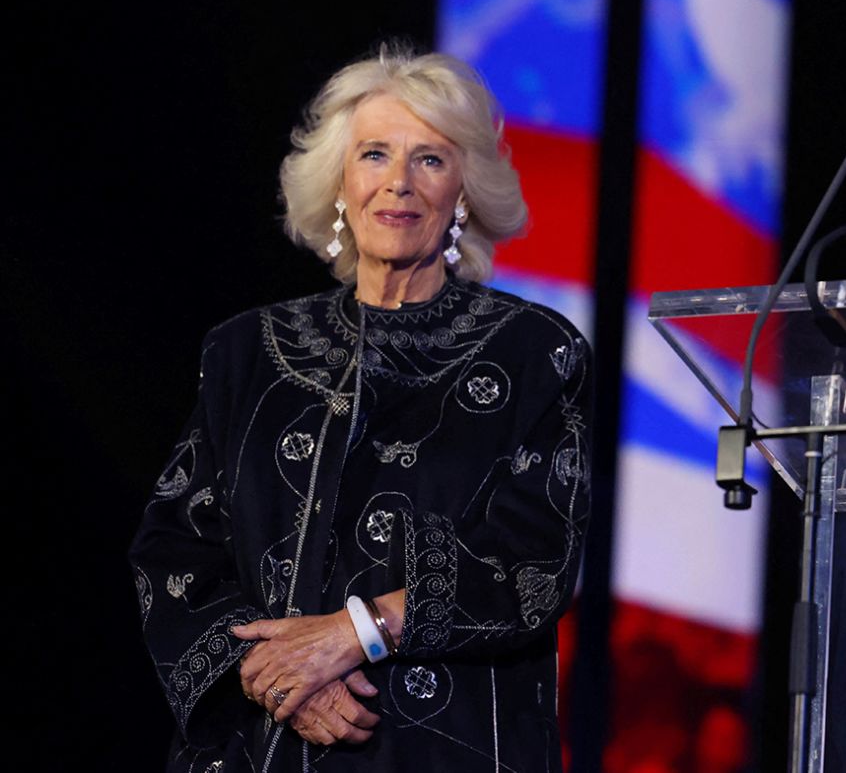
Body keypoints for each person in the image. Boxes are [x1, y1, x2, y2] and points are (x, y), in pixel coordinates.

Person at [130, 47, 591, 771]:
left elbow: (533, 563)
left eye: (430, 159)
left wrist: (356, 632)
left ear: (464, 188)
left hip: (442, 747)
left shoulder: (535, 352)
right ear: (341, 183)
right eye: (375, 154)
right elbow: (174, 552)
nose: (399, 183)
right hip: (263, 744)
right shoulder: (242, 352)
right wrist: (284, 679)